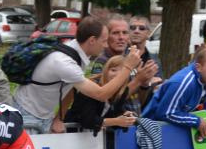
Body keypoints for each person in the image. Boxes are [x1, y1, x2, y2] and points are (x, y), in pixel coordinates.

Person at [12, 17, 142, 134]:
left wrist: (59, 118)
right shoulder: (65, 63)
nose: (105, 45)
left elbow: (71, 88)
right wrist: (128, 67)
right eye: (103, 41)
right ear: (92, 40)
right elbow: (101, 94)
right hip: (27, 114)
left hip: (44, 115)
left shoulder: (77, 53)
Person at [142, 46, 206, 137]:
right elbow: (166, 113)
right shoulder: (183, 82)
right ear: (198, 67)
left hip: (174, 130)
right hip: (150, 130)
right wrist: (196, 121)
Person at [64, 56, 138, 133]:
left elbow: (114, 116)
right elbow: (87, 120)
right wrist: (116, 121)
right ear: (105, 71)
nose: (117, 75)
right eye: (113, 70)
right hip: (71, 134)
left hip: (94, 138)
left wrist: (125, 116)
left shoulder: (123, 91)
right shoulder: (92, 87)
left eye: (122, 72)